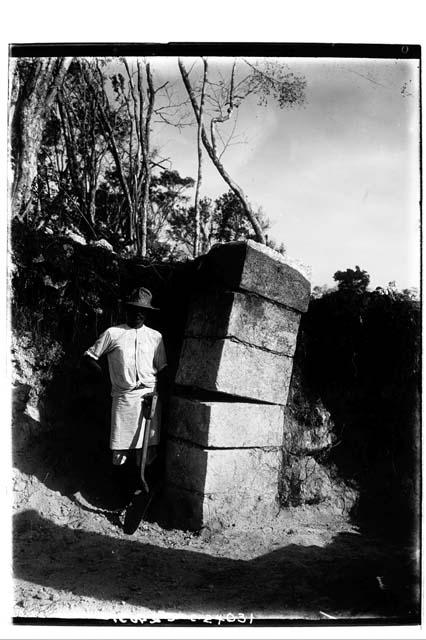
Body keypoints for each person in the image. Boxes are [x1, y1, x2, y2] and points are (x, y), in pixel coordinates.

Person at [82, 287, 168, 502]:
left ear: (147, 313)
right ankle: (119, 497)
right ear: (127, 309)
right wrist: (105, 378)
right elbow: (89, 357)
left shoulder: (155, 337)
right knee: (120, 451)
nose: (138, 314)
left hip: (150, 397)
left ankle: (140, 497)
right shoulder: (113, 333)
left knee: (148, 449)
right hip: (124, 398)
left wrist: (157, 395)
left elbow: (163, 369)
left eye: (142, 310)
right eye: (134, 309)